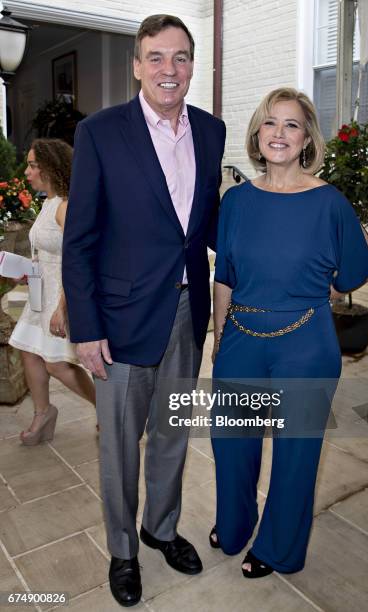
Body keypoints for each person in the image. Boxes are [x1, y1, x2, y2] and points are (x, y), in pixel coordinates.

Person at [62, 14, 226, 608]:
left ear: (192, 65)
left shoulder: (212, 131)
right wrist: (86, 328)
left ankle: (161, 528)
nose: (169, 69)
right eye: (156, 57)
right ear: (136, 65)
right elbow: (80, 239)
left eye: (180, 57)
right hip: (122, 316)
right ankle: (123, 550)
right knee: (119, 444)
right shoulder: (102, 132)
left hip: (188, 309)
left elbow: (204, 223)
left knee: (173, 434)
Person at [210, 88, 368, 578]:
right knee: (231, 442)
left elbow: (356, 269)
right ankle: (235, 523)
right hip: (240, 333)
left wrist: (327, 273)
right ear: (257, 134)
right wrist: (219, 337)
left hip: (305, 343)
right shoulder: (237, 199)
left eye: (291, 125)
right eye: (270, 123)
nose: (278, 134)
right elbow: (225, 274)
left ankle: (279, 547)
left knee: (296, 452)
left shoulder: (328, 202)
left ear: (307, 139)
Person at [9, 138, 96, 445]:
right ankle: (43, 414)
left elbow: (80, 258)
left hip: (62, 294)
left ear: (50, 167)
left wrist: (64, 306)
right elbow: (45, 251)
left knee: (57, 363)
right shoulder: (47, 202)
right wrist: (27, 269)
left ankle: (107, 409)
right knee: (29, 350)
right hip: (40, 292)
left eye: (33, 165)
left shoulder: (65, 207)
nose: (28, 171)